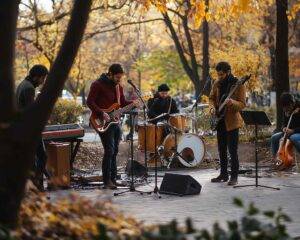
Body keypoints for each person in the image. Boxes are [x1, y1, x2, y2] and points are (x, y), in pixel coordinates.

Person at [87, 64, 138, 189]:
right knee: (109, 150)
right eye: (117, 77)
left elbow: (122, 104)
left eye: (120, 77)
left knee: (114, 151)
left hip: (115, 122)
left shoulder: (118, 87)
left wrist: (134, 103)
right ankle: (106, 180)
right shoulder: (97, 84)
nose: (119, 79)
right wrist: (101, 113)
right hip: (101, 121)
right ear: (110, 73)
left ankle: (114, 179)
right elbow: (89, 101)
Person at [209, 62, 246, 186]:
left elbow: (242, 104)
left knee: (232, 150)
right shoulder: (216, 83)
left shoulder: (238, 84)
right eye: (218, 74)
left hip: (232, 122)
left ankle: (234, 177)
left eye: (221, 74)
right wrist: (212, 108)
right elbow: (211, 98)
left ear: (228, 72)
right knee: (221, 149)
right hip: (219, 120)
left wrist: (232, 103)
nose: (219, 77)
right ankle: (223, 174)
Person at [16, 64, 49, 191]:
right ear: (37, 77)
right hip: (29, 129)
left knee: (32, 158)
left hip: (22, 127)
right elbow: (31, 112)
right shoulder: (29, 88)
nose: (43, 81)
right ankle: (36, 185)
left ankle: (35, 185)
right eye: (43, 78)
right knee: (42, 156)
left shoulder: (23, 84)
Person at [270, 93, 300, 162]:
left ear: (292, 103)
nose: (285, 109)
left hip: (297, 132)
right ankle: (277, 160)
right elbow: (283, 123)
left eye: (287, 107)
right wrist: (283, 128)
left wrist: (293, 131)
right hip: (289, 132)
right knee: (274, 137)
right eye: (284, 108)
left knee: (293, 138)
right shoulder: (285, 110)